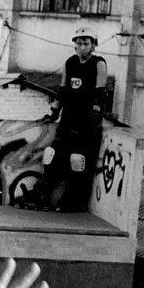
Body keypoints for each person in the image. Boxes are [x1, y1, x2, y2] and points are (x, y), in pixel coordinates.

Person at [32, 26, 109, 213]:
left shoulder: (99, 63)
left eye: (86, 43)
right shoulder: (70, 62)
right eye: (79, 43)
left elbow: (100, 93)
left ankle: (74, 200)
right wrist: (54, 112)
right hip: (68, 119)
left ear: (93, 45)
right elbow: (63, 90)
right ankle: (42, 195)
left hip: (87, 123)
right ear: (75, 45)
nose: (82, 47)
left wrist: (94, 115)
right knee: (51, 157)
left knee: (78, 161)